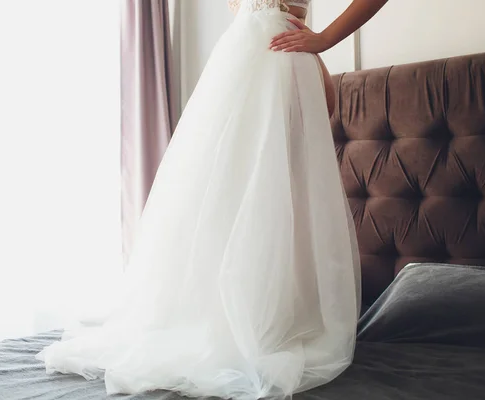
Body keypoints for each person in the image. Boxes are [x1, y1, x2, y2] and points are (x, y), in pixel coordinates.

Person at [36, 1, 387, 399]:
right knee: (224, 197)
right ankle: (228, 321)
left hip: (278, 62)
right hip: (240, 61)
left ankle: (267, 323)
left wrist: (323, 42)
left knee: (274, 195)